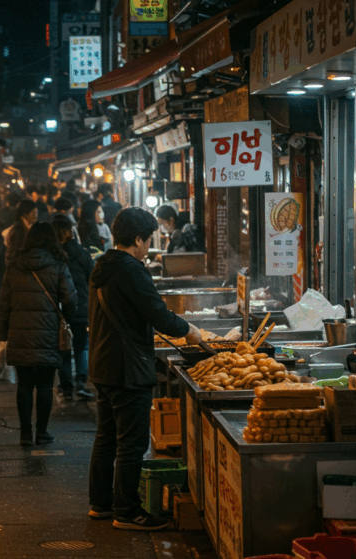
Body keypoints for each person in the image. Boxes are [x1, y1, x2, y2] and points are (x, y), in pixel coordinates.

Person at [87, 208, 202, 530]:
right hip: (126, 368)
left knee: (106, 438)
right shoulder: (130, 270)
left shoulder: (103, 266)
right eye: (148, 239)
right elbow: (157, 313)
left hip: (102, 364)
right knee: (131, 444)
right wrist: (189, 330)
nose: (149, 246)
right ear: (138, 239)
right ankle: (127, 511)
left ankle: (101, 504)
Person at [0, 222, 76, 446]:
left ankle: (25, 433)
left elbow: (4, 303)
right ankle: (41, 432)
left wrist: (4, 334)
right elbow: (71, 300)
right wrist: (65, 319)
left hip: (19, 333)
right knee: (44, 385)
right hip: (48, 332)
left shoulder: (14, 266)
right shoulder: (59, 266)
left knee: (24, 384)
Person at [51, 215, 95, 401]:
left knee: (63, 347)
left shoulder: (52, 255)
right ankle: (81, 383)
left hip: (60, 309)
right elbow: (92, 278)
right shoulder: (81, 252)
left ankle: (66, 387)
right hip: (81, 307)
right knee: (81, 345)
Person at [4, 199, 38, 264]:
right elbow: (14, 254)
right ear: (25, 214)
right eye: (33, 213)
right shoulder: (18, 231)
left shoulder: (30, 226)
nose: (35, 215)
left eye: (36, 212)